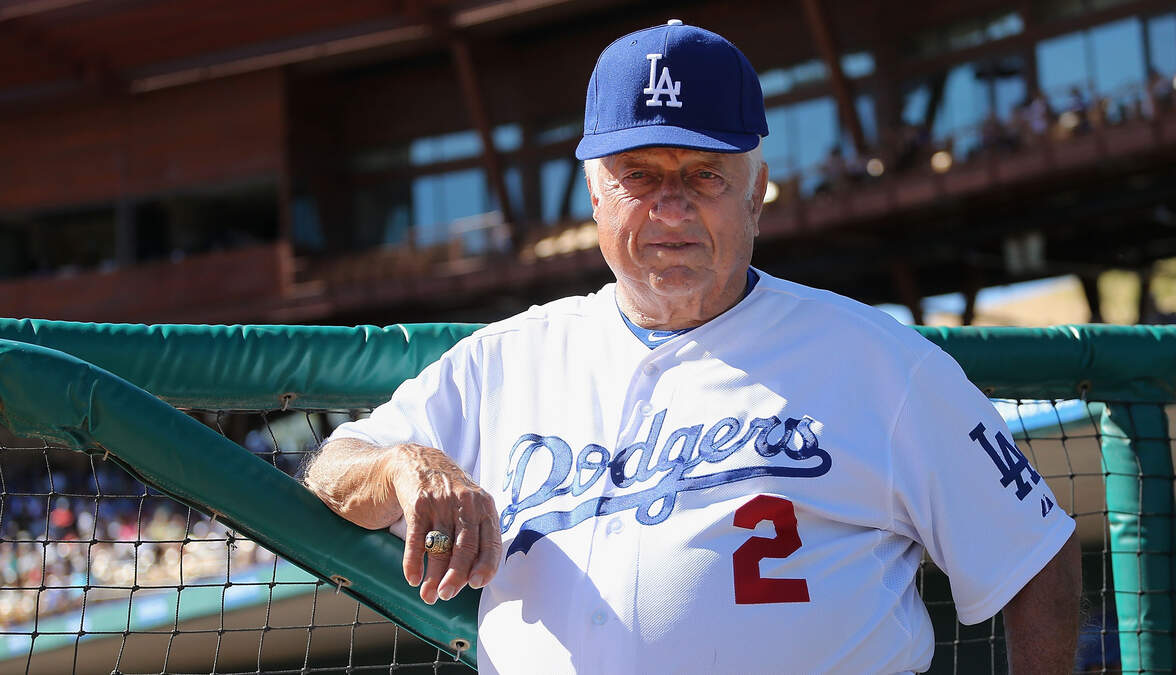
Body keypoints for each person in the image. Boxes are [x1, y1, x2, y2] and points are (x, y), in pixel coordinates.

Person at [303, 21, 1080, 674]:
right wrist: (408, 465)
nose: (671, 207)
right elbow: (333, 467)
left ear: (757, 192)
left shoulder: (880, 363)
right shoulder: (504, 361)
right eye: (639, 174)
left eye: (704, 174)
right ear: (595, 193)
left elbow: (1037, 553)